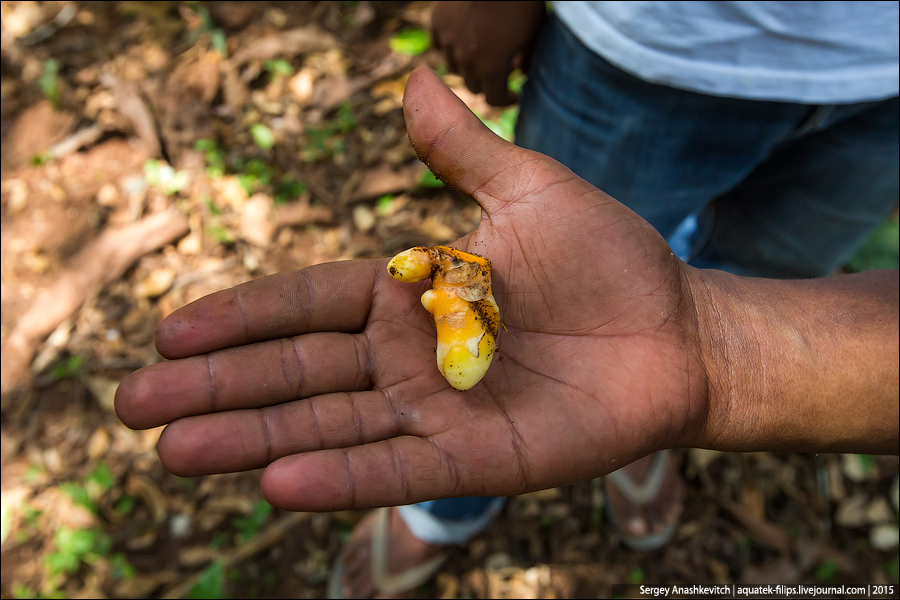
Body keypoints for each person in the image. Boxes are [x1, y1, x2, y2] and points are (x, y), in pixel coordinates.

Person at [114, 4, 899, 599]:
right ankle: (453, 507)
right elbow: (417, 277)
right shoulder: (455, 291)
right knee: (598, 241)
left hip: (882, 80)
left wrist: (716, 354)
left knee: (767, 266)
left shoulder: (455, 294)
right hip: (647, 44)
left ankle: (658, 404)